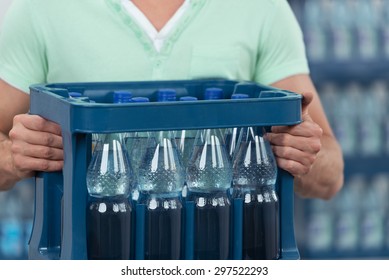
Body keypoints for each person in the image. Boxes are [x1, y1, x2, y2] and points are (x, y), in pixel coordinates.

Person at [0, 0, 344, 199]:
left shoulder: (260, 8)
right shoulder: (40, 8)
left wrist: (302, 151)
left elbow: (331, 174)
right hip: (89, 249)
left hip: (226, 251)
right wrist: (14, 157)